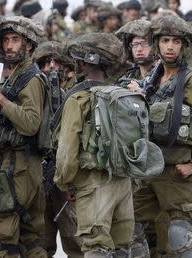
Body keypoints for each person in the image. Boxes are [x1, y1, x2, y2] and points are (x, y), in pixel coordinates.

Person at [128, 15, 192, 257]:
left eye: (176, 42)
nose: (170, 47)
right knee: (130, 229)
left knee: (181, 236)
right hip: (148, 171)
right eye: (165, 40)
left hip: (178, 174)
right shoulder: (152, 79)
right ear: (157, 44)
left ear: (184, 46)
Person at [54, 32, 134, 258]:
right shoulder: (122, 94)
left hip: (93, 184)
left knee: (95, 248)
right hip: (124, 184)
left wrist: (64, 182)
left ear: (81, 63)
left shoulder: (78, 99)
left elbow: (67, 151)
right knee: (122, 250)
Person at [0, 16, 47, 258]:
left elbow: (31, 123)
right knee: (31, 238)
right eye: (6, 40)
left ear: (28, 44)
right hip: (19, 164)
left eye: (15, 40)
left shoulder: (29, 78)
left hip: (17, 165)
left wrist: (0, 98)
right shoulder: (13, 74)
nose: (9, 46)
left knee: (4, 238)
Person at [32, 41, 82, 258]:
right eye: (44, 64)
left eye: (56, 64)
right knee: (40, 242)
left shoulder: (78, 95)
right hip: (39, 175)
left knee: (76, 241)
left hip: (68, 177)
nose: (50, 69)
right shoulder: (34, 94)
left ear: (69, 70)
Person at [116, 19, 155, 86]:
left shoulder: (164, 75)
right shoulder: (129, 76)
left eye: (144, 43)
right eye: (135, 44)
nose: (139, 49)